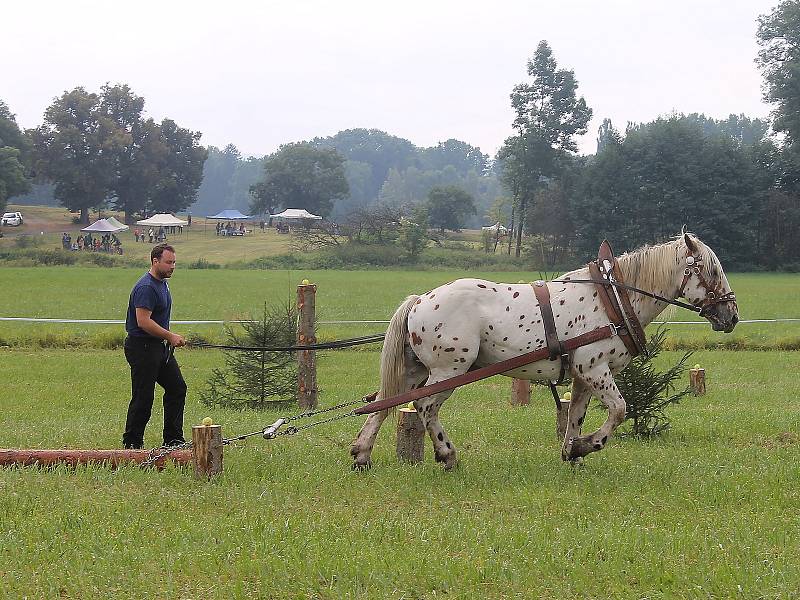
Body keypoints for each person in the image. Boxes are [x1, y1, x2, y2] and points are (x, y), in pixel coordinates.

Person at [122, 243, 187, 449]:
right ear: (155, 261)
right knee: (143, 397)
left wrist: (168, 338)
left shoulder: (162, 283)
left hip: (159, 347)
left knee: (177, 388)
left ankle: (173, 440)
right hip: (142, 347)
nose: (173, 266)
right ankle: (131, 444)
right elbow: (143, 321)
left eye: (174, 262)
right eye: (168, 262)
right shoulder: (146, 287)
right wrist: (170, 335)